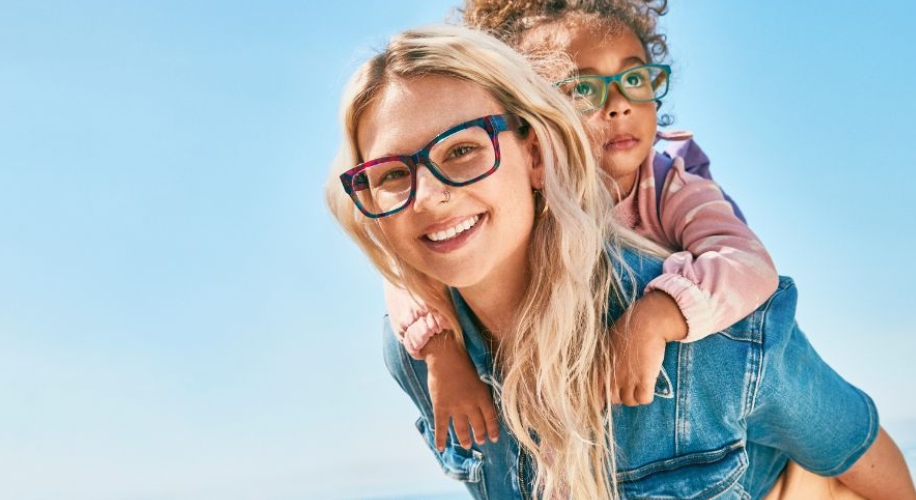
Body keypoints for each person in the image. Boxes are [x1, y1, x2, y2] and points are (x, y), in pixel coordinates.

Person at [326, 24, 915, 500]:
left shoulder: (705, 329)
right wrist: (438, 349)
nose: (428, 197)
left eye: (462, 151)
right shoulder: (418, 354)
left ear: (538, 154)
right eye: (392, 175)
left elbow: (854, 447)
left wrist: (657, 315)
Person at [384, 0, 777, 452]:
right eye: (582, 90)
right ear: (528, 114)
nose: (618, 106)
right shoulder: (515, 194)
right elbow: (405, 266)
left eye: (634, 79)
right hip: (540, 395)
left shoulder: (670, 185)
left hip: (669, 405)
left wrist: (657, 316)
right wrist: (441, 353)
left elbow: (748, 262)